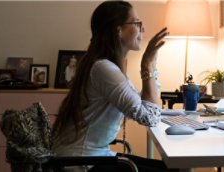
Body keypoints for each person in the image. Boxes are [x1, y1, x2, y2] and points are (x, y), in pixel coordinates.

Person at [52, 1, 173, 171]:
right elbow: (150, 118)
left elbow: (142, 107)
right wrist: (146, 65)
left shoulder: (109, 67)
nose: (142, 30)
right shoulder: (104, 68)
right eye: (137, 23)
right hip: (80, 163)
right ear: (119, 29)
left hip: (96, 156)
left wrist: (151, 67)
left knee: (170, 167)